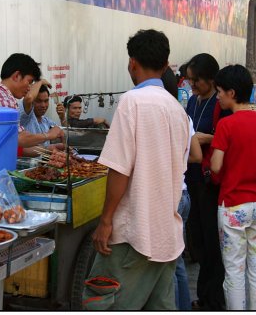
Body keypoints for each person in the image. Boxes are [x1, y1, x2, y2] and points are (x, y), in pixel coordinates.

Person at [82, 29, 189, 310]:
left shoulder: (132, 101)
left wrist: (106, 221)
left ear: (132, 63)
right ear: (166, 66)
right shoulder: (177, 110)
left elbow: (119, 169)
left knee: (105, 304)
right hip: (167, 235)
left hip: (133, 235)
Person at [211, 64, 256, 310]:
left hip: (233, 204)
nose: (218, 97)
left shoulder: (227, 125)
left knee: (234, 269)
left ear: (232, 93)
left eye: (219, 92)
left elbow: (215, 166)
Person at [184, 53, 231, 310]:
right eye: (190, 81)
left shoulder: (219, 104)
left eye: (196, 81)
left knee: (212, 241)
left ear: (211, 79)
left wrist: (205, 138)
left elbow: (224, 137)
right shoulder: (192, 101)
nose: (192, 86)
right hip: (191, 176)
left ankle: (213, 298)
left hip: (209, 179)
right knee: (197, 239)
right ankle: (205, 296)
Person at [0, 53, 63, 152]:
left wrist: (48, 149)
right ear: (16, 76)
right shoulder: (5, 101)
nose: (29, 88)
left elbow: (10, 145)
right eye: (29, 82)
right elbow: (19, 139)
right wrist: (49, 135)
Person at [174, 117, 202, 311]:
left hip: (170, 197)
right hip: (183, 194)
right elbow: (197, 156)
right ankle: (183, 307)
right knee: (176, 260)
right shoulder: (185, 117)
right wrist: (179, 160)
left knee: (168, 264)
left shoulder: (156, 114)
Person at [19, 83, 65, 157]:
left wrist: (62, 118)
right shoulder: (25, 117)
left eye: (46, 101)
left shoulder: (46, 121)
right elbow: (28, 99)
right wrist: (41, 81)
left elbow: (63, 134)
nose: (43, 105)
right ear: (32, 101)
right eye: (38, 101)